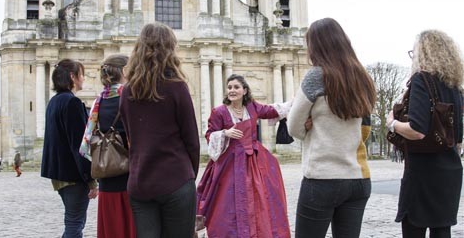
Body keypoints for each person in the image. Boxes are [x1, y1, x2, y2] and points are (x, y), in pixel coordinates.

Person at [287, 17, 376, 238]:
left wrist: (309, 126)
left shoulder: (316, 76)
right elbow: (365, 129)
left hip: (322, 178)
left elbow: (293, 127)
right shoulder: (362, 77)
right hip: (358, 178)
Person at [119, 23, 200, 238]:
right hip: (176, 178)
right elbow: (191, 139)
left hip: (140, 181)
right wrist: (189, 175)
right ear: (170, 49)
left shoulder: (126, 92)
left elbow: (130, 138)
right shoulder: (177, 87)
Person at [386, 30, 463, 238]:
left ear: (423, 54)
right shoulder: (455, 87)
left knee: (414, 229)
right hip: (450, 172)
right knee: (441, 231)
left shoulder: (421, 80)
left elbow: (417, 131)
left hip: (423, 173)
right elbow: (457, 137)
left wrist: (392, 124)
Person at [196, 74, 291, 237]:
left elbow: (272, 111)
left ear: (244, 90)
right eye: (229, 87)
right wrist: (225, 133)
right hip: (229, 163)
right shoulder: (219, 112)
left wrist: (297, 101)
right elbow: (209, 134)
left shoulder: (252, 107)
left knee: (259, 196)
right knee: (228, 201)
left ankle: (257, 231)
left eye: (236, 87)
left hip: (254, 161)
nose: (232, 90)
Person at [79, 54, 136, 238]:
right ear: (124, 72)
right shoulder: (131, 99)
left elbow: (86, 144)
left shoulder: (98, 102)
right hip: (130, 176)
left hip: (107, 177)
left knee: (112, 230)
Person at [41, 58, 98, 238]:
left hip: (58, 174)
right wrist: (90, 179)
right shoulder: (71, 102)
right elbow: (79, 145)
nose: (83, 79)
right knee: (75, 224)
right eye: (81, 74)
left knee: (73, 221)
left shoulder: (54, 101)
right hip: (73, 175)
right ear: (73, 77)